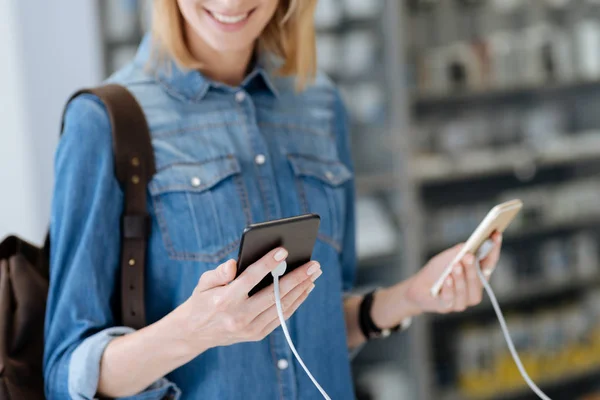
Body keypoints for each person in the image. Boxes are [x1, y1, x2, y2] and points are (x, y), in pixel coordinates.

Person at [43, 0, 503, 399]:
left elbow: (317, 320)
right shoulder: (103, 122)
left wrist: (413, 295)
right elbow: (67, 374)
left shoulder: (319, 104)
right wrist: (191, 332)